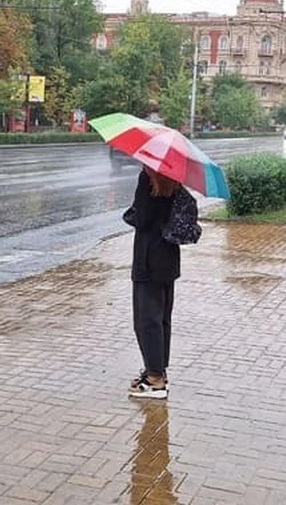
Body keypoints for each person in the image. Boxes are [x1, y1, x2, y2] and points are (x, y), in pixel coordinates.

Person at [124, 166, 181, 399]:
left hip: (148, 259)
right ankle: (158, 371)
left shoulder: (148, 177)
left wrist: (130, 215)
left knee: (146, 320)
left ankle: (155, 380)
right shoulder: (175, 178)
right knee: (162, 319)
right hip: (168, 257)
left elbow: (143, 217)